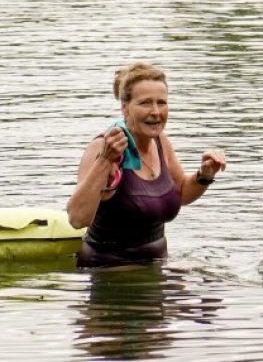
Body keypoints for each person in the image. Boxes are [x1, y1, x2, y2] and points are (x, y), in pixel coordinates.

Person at [67, 62, 227, 267]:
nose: (156, 112)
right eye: (145, 103)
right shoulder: (104, 147)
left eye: (162, 103)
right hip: (111, 275)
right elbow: (77, 219)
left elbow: (181, 194)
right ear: (124, 107)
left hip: (155, 269)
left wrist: (205, 175)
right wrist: (105, 161)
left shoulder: (160, 142)